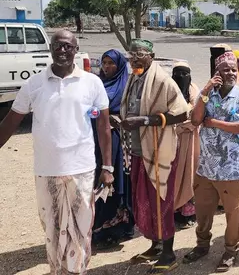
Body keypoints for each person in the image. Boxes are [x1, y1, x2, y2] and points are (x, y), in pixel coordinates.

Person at [0, 30, 114, 274]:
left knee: (82, 228)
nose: (63, 50)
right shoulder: (34, 85)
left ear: (76, 49)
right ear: (50, 49)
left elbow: (104, 126)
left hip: (82, 169)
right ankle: (57, 270)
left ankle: (78, 271)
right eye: (58, 46)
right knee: (51, 229)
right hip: (46, 170)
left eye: (68, 46)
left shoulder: (92, 82)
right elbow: (11, 121)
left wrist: (107, 167)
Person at [121, 39, 190, 273]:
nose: (135, 59)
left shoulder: (162, 80)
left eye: (140, 54)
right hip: (139, 149)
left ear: (152, 55)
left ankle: (169, 254)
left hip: (160, 151)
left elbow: (181, 114)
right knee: (145, 200)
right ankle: (156, 244)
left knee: (162, 201)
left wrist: (145, 121)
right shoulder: (134, 78)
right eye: (132, 54)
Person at [183, 51, 239, 273]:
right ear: (217, 73)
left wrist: (213, 122)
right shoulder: (208, 95)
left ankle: (230, 251)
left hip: (233, 168)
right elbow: (195, 120)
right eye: (226, 70)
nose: (231, 73)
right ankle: (202, 245)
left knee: (234, 213)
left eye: (234, 69)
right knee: (203, 211)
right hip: (206, 166)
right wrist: (204, 91)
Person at [92, 49, 135, 249]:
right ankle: (98, 227)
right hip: (97, 139)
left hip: (120, 142)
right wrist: (102, 118)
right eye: (105, 63)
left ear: (119, 66)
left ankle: (118, 228)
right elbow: (87, 109)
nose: (107, 67)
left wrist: (119, 120)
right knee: (98, 180)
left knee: (118, 181)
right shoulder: (96, 84)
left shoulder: (127, 85)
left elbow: (135, 110)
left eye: (111, 63)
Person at [172, 62, 201, 229]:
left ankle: (188, 212)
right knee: (175, 175)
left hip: (191, 141)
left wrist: (178, 123)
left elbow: (195, 116)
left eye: (184, 74)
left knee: (190, 173)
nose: (181, 78)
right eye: (177, 74)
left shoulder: (194, 91)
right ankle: (175, 209)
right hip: (172, 142)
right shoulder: (168, 91)